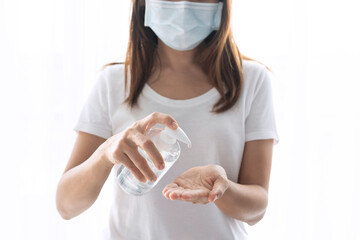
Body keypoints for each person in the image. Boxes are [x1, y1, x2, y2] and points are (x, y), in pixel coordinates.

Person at [56, 0, 280, 239]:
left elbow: (257, 209)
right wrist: (104, 154)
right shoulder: (112, 82)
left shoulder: (252, 81)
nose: (183, 5)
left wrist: (221, 189)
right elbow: (66, 206)